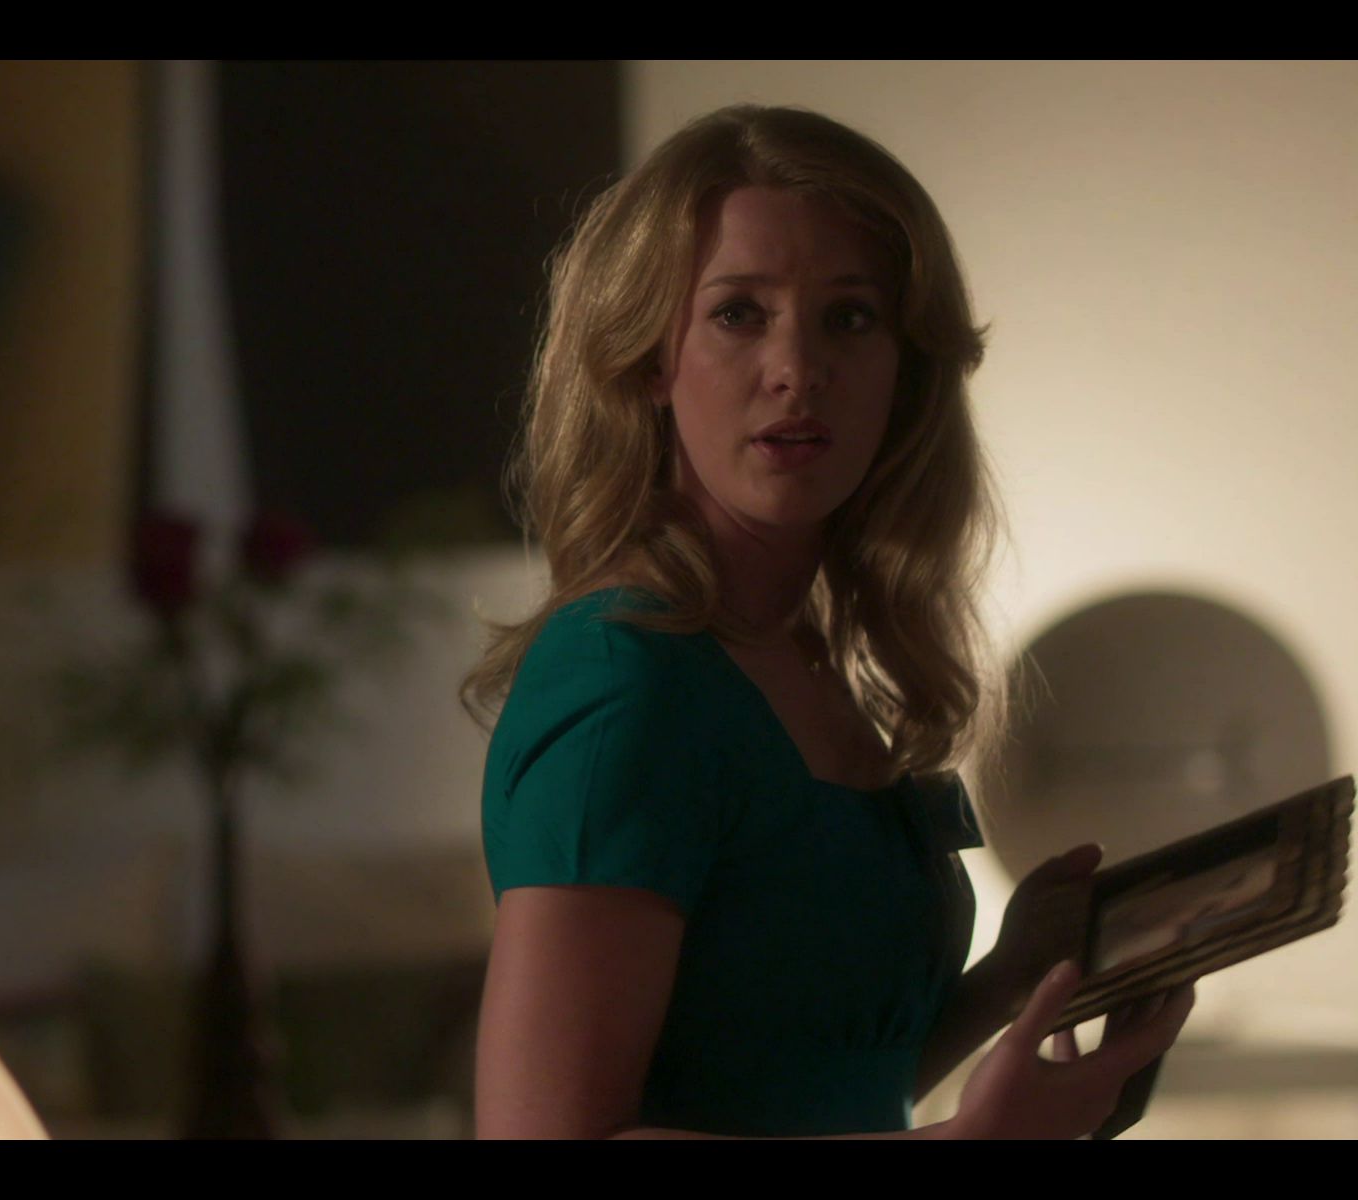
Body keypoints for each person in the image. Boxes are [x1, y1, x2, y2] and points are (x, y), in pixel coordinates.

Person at [461, 104, 1196, 1139]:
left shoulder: (798, 652)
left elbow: (803, 1085)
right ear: (650, 359)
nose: (797, 368)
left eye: (849, 317)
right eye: (738, 313)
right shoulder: (627, 676)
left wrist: (1009, 982)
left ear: (905, 370)